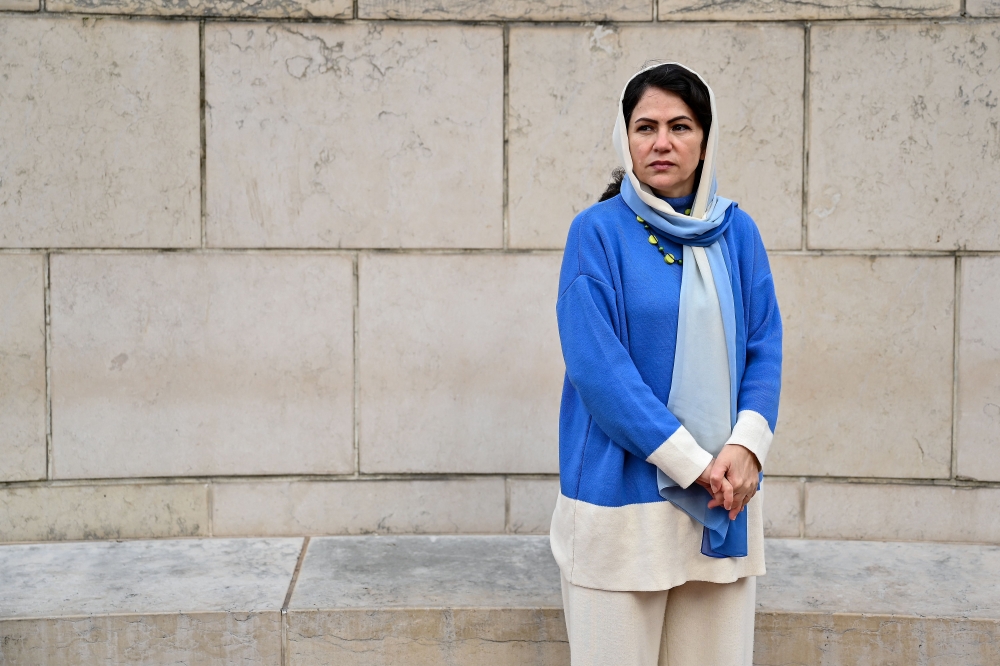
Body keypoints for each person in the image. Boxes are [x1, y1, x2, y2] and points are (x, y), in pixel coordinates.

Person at [550, 62, 782, 666]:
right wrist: (693, 463)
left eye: (679, 126)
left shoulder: (738, 233)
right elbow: (600, 371)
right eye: (645, 126)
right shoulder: (596, 234)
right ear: (624, 139)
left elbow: (765, 346)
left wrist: (747, 448)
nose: (661, 142)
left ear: (705, 138)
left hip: (723, 501)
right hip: (620, 504)